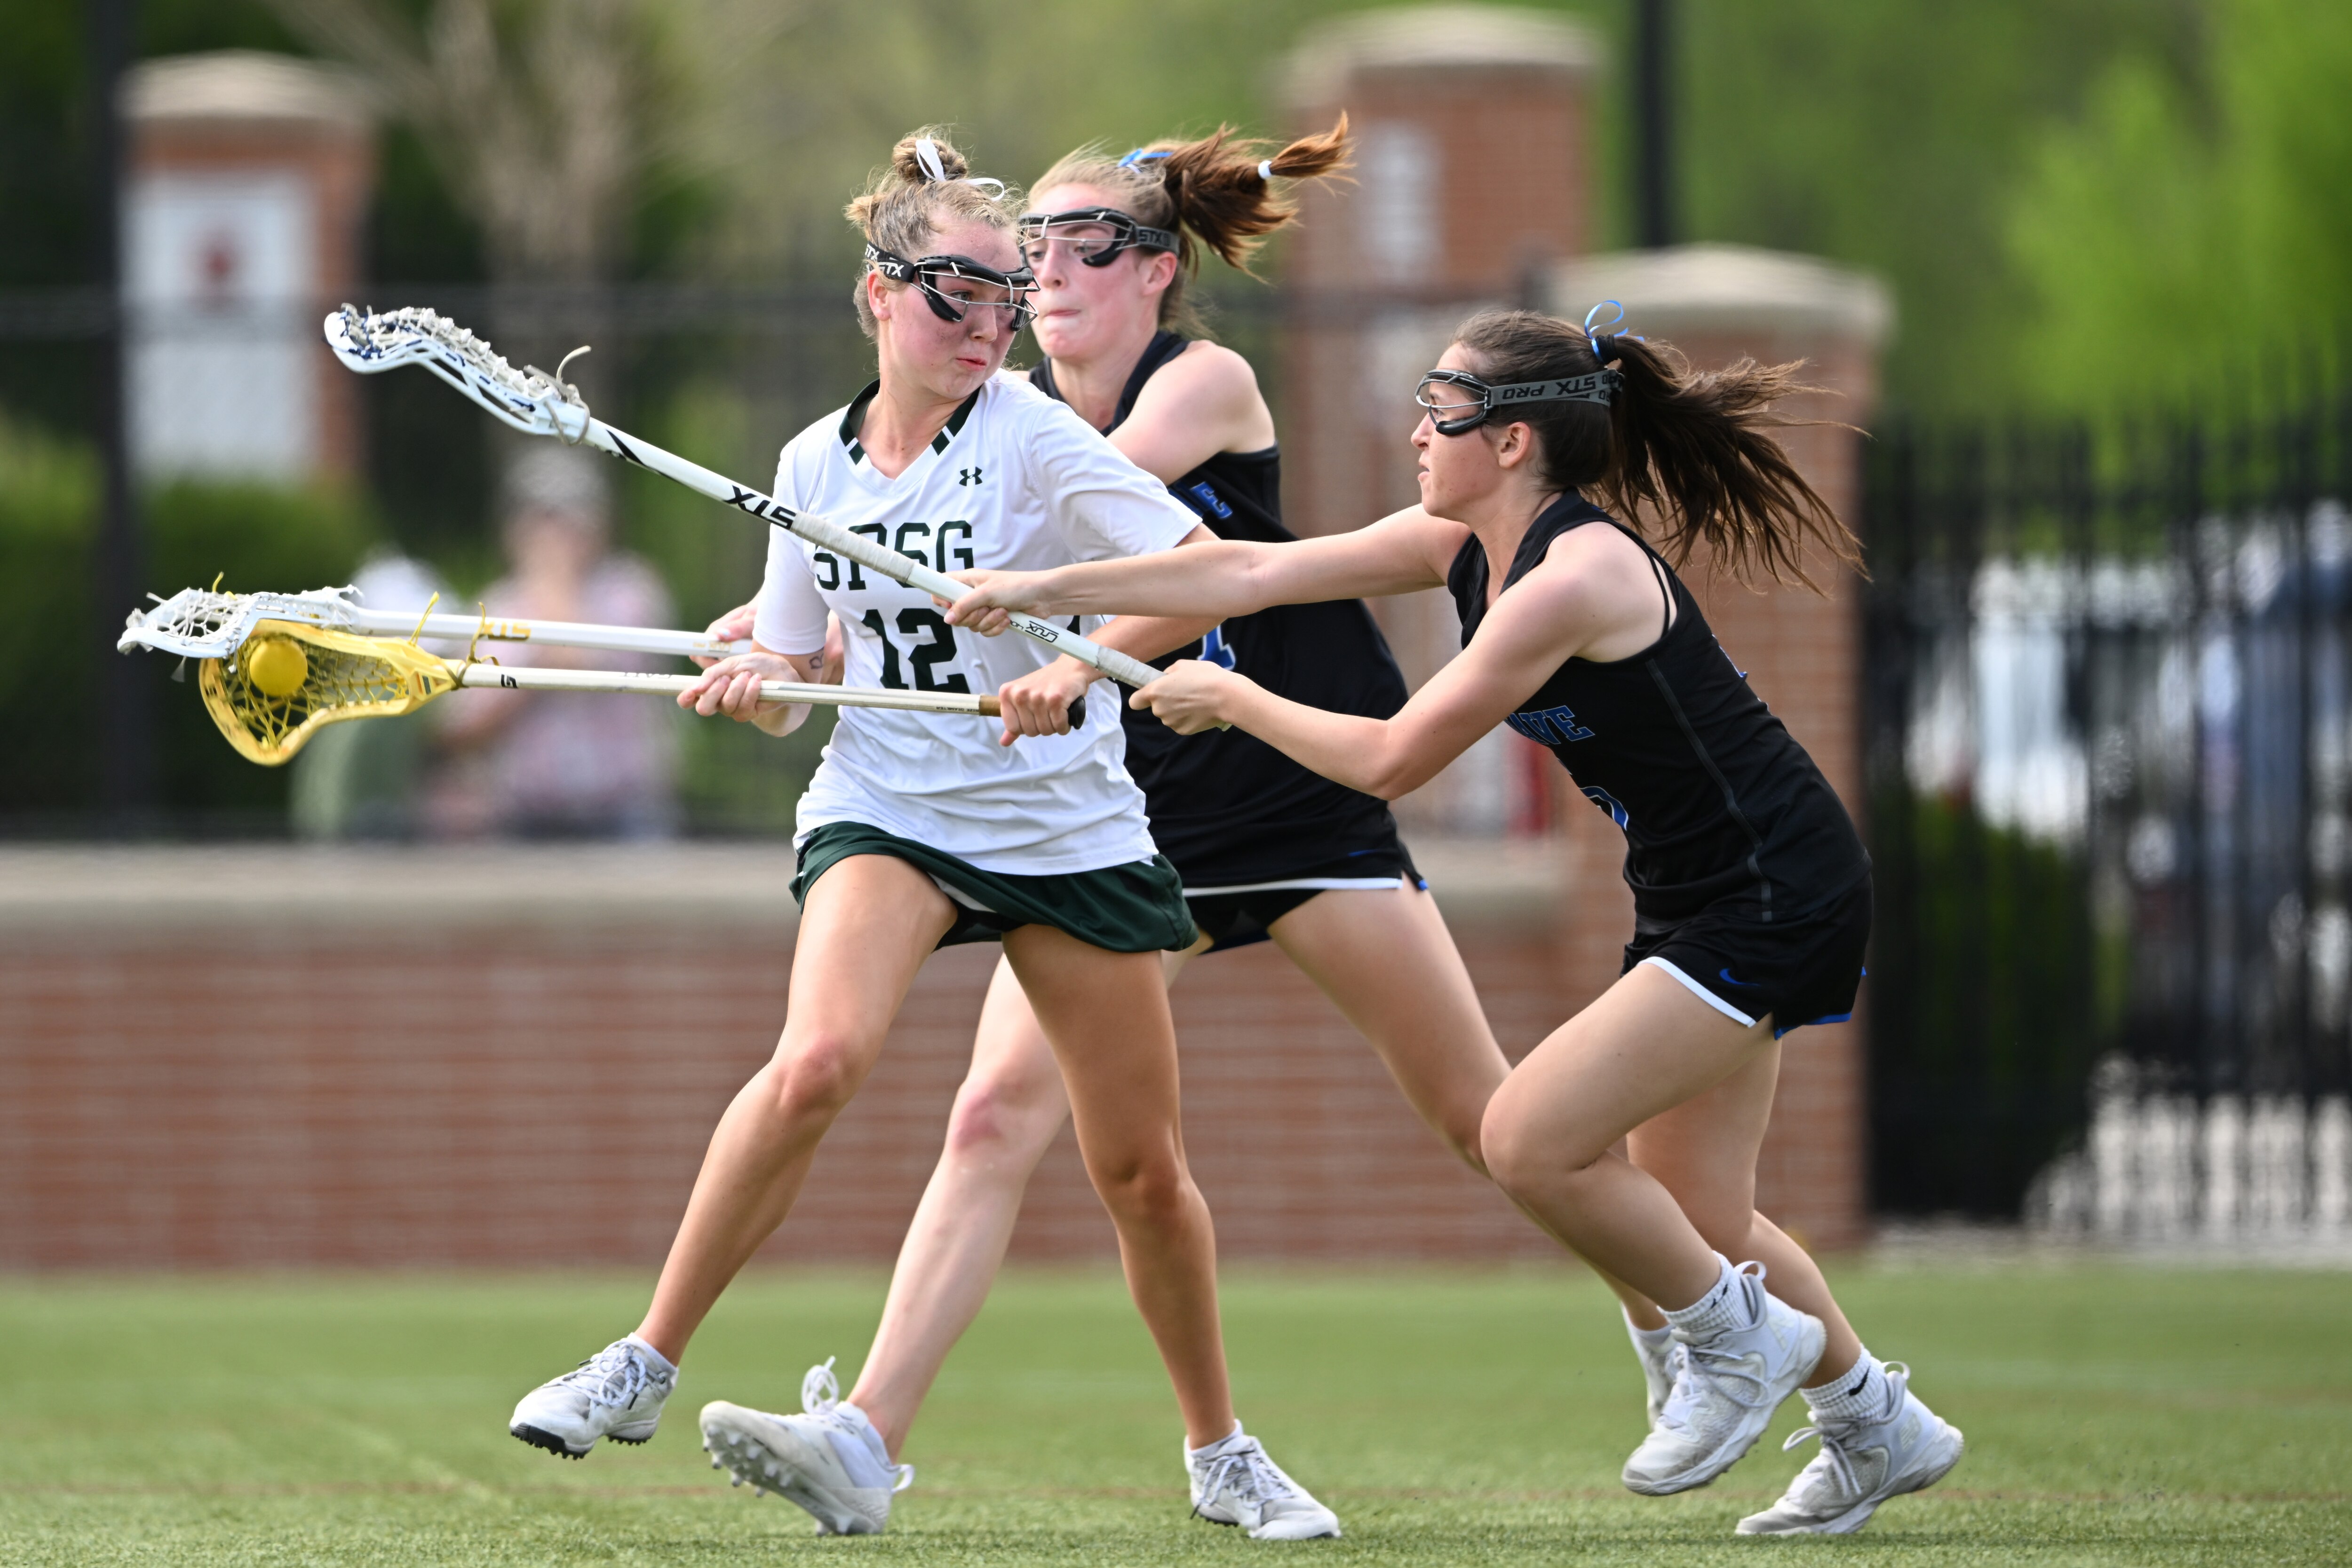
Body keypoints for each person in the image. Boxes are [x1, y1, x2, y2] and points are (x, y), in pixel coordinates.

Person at [707, 118, 1693, 1536]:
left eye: (1081, 245)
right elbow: (936, 526)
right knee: (992, 1118)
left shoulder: (1192, 385)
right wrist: (794, 604)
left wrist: (872, 553)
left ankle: (1691, 1323)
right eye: (1025, 250)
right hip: (1129, 813)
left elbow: (1072, 513)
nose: (1042, 276)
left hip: (1290, 793)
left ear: (1157, 270)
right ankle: (867, 1434)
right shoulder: (997, 405)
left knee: (1486, 1118)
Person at [944, 306, 1968, 1538]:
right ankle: (1873, 1418)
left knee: (1526, 1137)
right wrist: (1038, 587)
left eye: (1443, 409)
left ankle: (1736, 1341)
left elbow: (1389, 759)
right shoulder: (1463, 543)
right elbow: (1250, 568)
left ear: (1515, 440)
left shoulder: (1572, 575)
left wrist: (1236, 696)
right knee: (1699, 1213)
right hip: (1703, 891)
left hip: (1774, 888)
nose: (1419, 430)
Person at [500, 129, 1340, 1543]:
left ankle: (1220, 1447)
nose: (986, 322)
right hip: (887, 803)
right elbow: (792, 683)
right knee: (819, 1055)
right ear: (876, 293)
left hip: (1062, 823)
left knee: (1138, 1169)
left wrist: (1077, 658)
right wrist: (761, 689)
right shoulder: (805, 467)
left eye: (1003, 296)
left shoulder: (1031, 435)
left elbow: (1198, 579)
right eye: (953, 292)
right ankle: (642, 1360)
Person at [426, 446, 679, 839]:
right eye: (543, 519)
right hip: (524, 815)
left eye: (571, 518)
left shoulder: (632, 593)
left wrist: (552, 587)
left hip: (625, 814)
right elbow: (464, 724)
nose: (557, 535)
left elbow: (578, 662)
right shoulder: (497, 604)